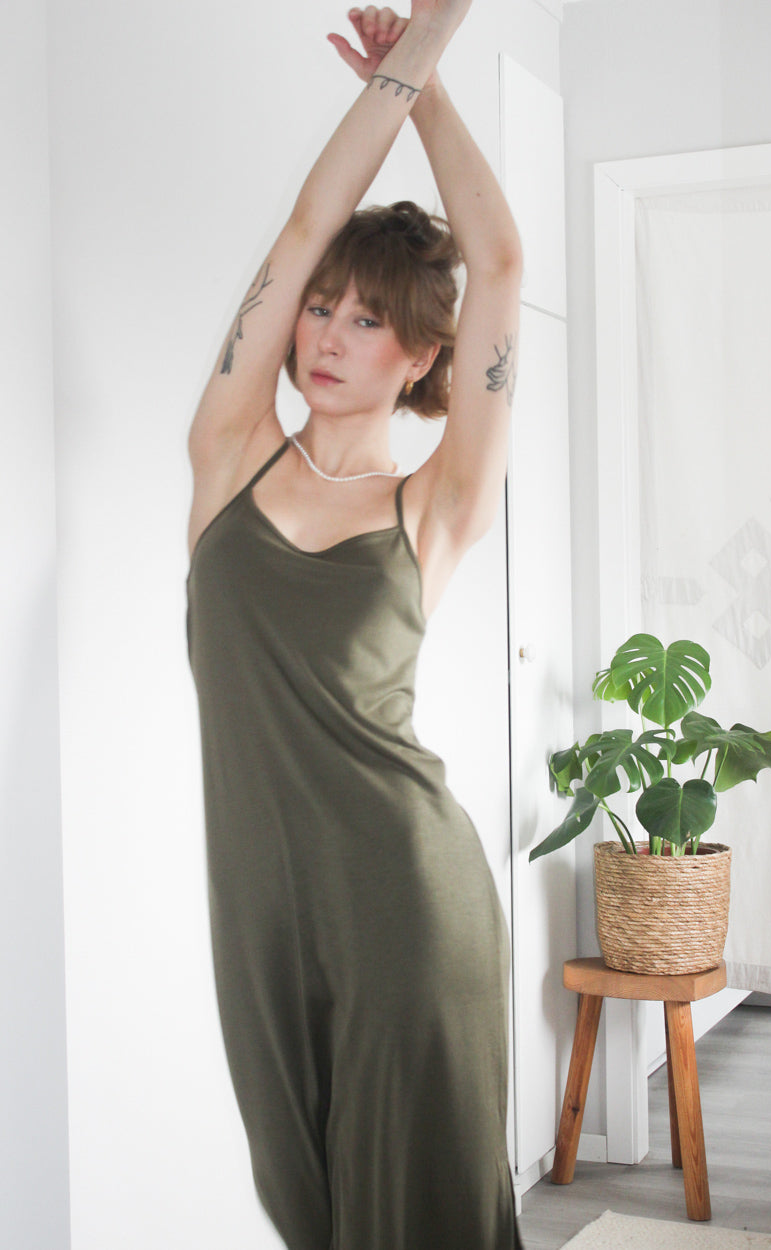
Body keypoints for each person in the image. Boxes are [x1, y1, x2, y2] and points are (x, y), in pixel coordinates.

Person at [186, 3, 523, 1247]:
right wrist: (395, 72)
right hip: (261, 916)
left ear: (421, 351)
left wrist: (431, 71)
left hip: (406, 906)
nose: (325, 334)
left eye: (365, 320)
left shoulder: (431, 507)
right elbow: (302, 224)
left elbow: (499, 267)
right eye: (320, 308)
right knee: (311, 1211)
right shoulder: (226, 458)